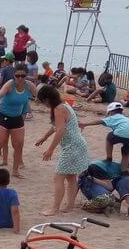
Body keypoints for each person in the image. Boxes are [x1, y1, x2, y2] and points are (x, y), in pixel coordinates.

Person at [35, 84, 90, 216]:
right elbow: (56, 126)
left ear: (47, 99)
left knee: (58, 177)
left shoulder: (58, 109)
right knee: (71, 177)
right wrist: (44, 137)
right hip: (78, 144)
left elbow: (60, 130)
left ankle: (55, 209)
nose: (44, 104)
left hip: (72, 146)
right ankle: (69, 206)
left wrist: (50, 149)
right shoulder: (63, 104)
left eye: (43, 101)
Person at [0, 67, 37, 177]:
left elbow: (41, 95)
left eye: (23, 76)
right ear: (14, 76)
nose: (20, 78)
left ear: (26, 76)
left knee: (18, 146)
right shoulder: (10, 84)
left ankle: (15, 170)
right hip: (3, 117)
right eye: (17, 75)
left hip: (17, 118)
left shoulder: (29, 85)